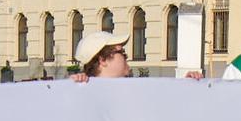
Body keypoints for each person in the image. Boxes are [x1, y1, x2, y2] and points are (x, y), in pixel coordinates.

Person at [71, 31, 203, 82]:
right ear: (103, 60)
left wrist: (187, 87)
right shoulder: (81, 93)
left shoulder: (135, 90)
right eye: (122, 53)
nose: (126, 57)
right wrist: (73, 86)